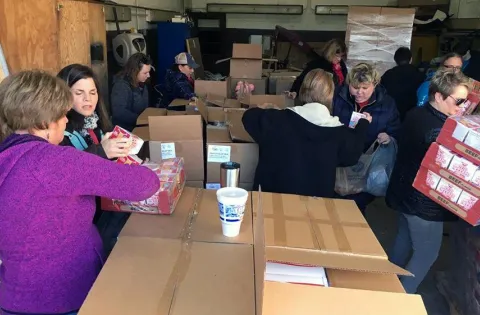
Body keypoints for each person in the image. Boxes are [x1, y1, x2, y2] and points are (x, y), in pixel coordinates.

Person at [0, 70, 160, 314]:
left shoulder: (7, 155)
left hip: (12, 295)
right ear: (43, 122)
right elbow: (145, 184)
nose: (66, 121)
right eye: (62, 115)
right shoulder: (57, 161)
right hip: (61, 296)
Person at [386, 69, 470, 294]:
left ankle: (385, 283)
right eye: (459, 101)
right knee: (426, 254)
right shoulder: (439, 130)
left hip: (404, 193)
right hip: (424, 204)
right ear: (439, 96)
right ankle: (397, 302)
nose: (462, 107)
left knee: (404, 239)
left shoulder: (417, 113)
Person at [242, 69, 372, 198]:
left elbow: (248, 117)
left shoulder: (277, 120)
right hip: (314, 208)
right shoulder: (340, 134)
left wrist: (264, 107)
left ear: (303, 91)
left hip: (271, 202)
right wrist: (363, 124)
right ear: (330, 95)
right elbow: (353, 154)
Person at [57, 64, 132, 254]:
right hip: (83, 222)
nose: (88, 99)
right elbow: (64, 173)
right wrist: (101, 151)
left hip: (105, 205)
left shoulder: (97, 123)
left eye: (92, 92)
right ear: (63, 95)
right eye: (79, 92)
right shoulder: (58, 132)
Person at [332, 62, 401, 212]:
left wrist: (389, 136)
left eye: (365, 88)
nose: (359, 92)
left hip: (367, 166)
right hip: (338, 162)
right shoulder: (337, 98)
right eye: (355, 87)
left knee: (356, 207)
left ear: (374, 84)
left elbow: (396, 129)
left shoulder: (387, 104)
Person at [381, 47, 425, 121]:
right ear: (411, 59)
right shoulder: (420, 75)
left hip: (391, 114)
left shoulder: (388, 74)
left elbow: (381, 93)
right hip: (412, 115)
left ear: (395, 60)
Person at [111, 53, 152, 131]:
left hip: (139, 127)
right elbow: (119, 112)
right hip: (126, 131)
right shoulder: (121, 86)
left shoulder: (142, 84)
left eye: (149, 72)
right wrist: (141, 119)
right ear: (135, 71)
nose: (148, 75)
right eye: (145, 73)